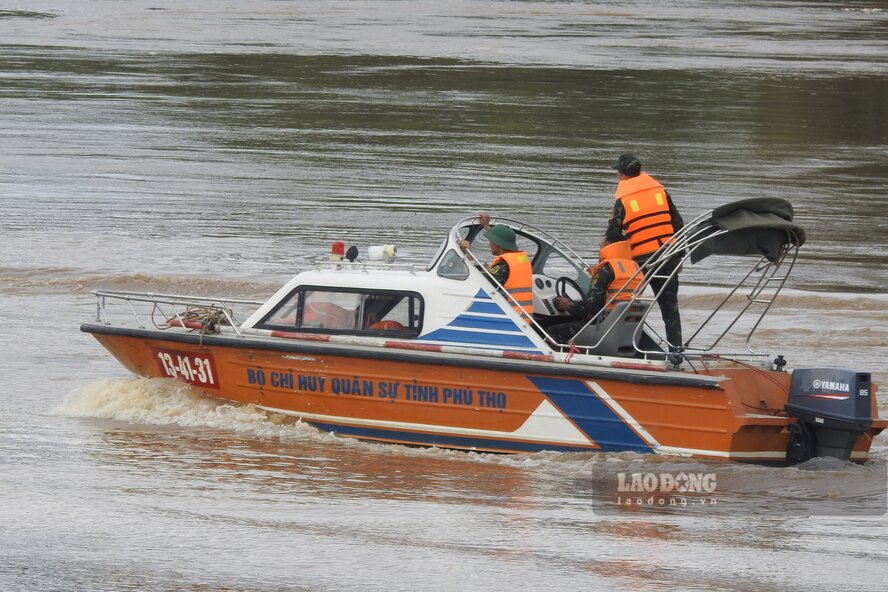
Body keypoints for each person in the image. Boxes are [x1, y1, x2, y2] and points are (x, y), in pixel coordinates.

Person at [605, 153, 684, 348]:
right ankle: (676, 351)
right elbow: (678, 224)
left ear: (623, 176)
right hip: (668, 256)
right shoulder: (661, 193)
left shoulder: (623, 200)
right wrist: (681, 255)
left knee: (626, 302)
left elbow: (613, 234)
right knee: (670, 308)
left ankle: (622, 345)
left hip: (641, 261)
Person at [547, 238, 642, 344]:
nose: (599, 250)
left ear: (609, 247)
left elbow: (590, 307)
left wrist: (568, 305)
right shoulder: (635, 269)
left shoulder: (605, 271)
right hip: (627, 326)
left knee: (552, 332)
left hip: (604, 326)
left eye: (600, 246)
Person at [457, 213, 533, 317]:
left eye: (491, 242)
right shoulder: (521, 259)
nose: (489, 244)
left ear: (497, 244)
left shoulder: (504, 266)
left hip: (513, 320)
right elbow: (504, 240)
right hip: (523, 316)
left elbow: (481, 284)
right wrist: (486, 226)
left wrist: (469, 256)